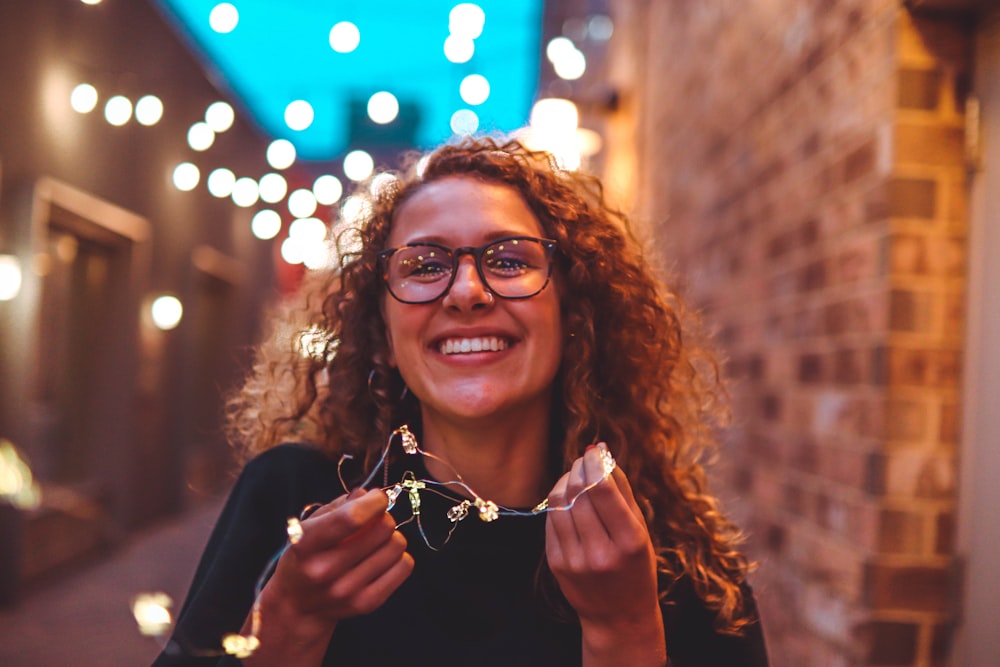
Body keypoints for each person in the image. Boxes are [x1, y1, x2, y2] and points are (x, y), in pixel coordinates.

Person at [152, 137, 769, 667]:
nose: (467, 292)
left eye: (508, 260)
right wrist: (286, 623)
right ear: (382, 335)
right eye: (425, 266)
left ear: (574, 315)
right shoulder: (295, 500)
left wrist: (625, 633)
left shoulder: (667, 552)